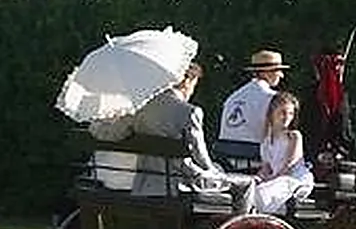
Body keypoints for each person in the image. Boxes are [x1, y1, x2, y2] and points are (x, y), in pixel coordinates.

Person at [105, 62, 255, 202]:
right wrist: (216, 173)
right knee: (247, 183)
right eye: (194, 83)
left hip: (146, 183)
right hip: (181, 185)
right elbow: (201, 159)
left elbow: (114, 133)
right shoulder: (190, 112)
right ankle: (241, 227)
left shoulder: (141, 107)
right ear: (187, 81)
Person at [249, 91, 315, 214]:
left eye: (290, 113)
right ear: (272, 114)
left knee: (266, 192)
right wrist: (257, 179)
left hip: (295, 180)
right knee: (251, 189)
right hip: (277, 179)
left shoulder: (294, 136)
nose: (287, 117)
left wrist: (273, 178)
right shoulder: (266, 141)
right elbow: (266, 168)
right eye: (282, 113)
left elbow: (290, 164)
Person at [218, 49, 288, 145]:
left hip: (226, 153)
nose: (281, 76)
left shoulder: (233, 97)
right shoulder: (272, 98)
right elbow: (278, 134)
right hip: (256, 154)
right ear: (266, 73)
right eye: (277, 70)